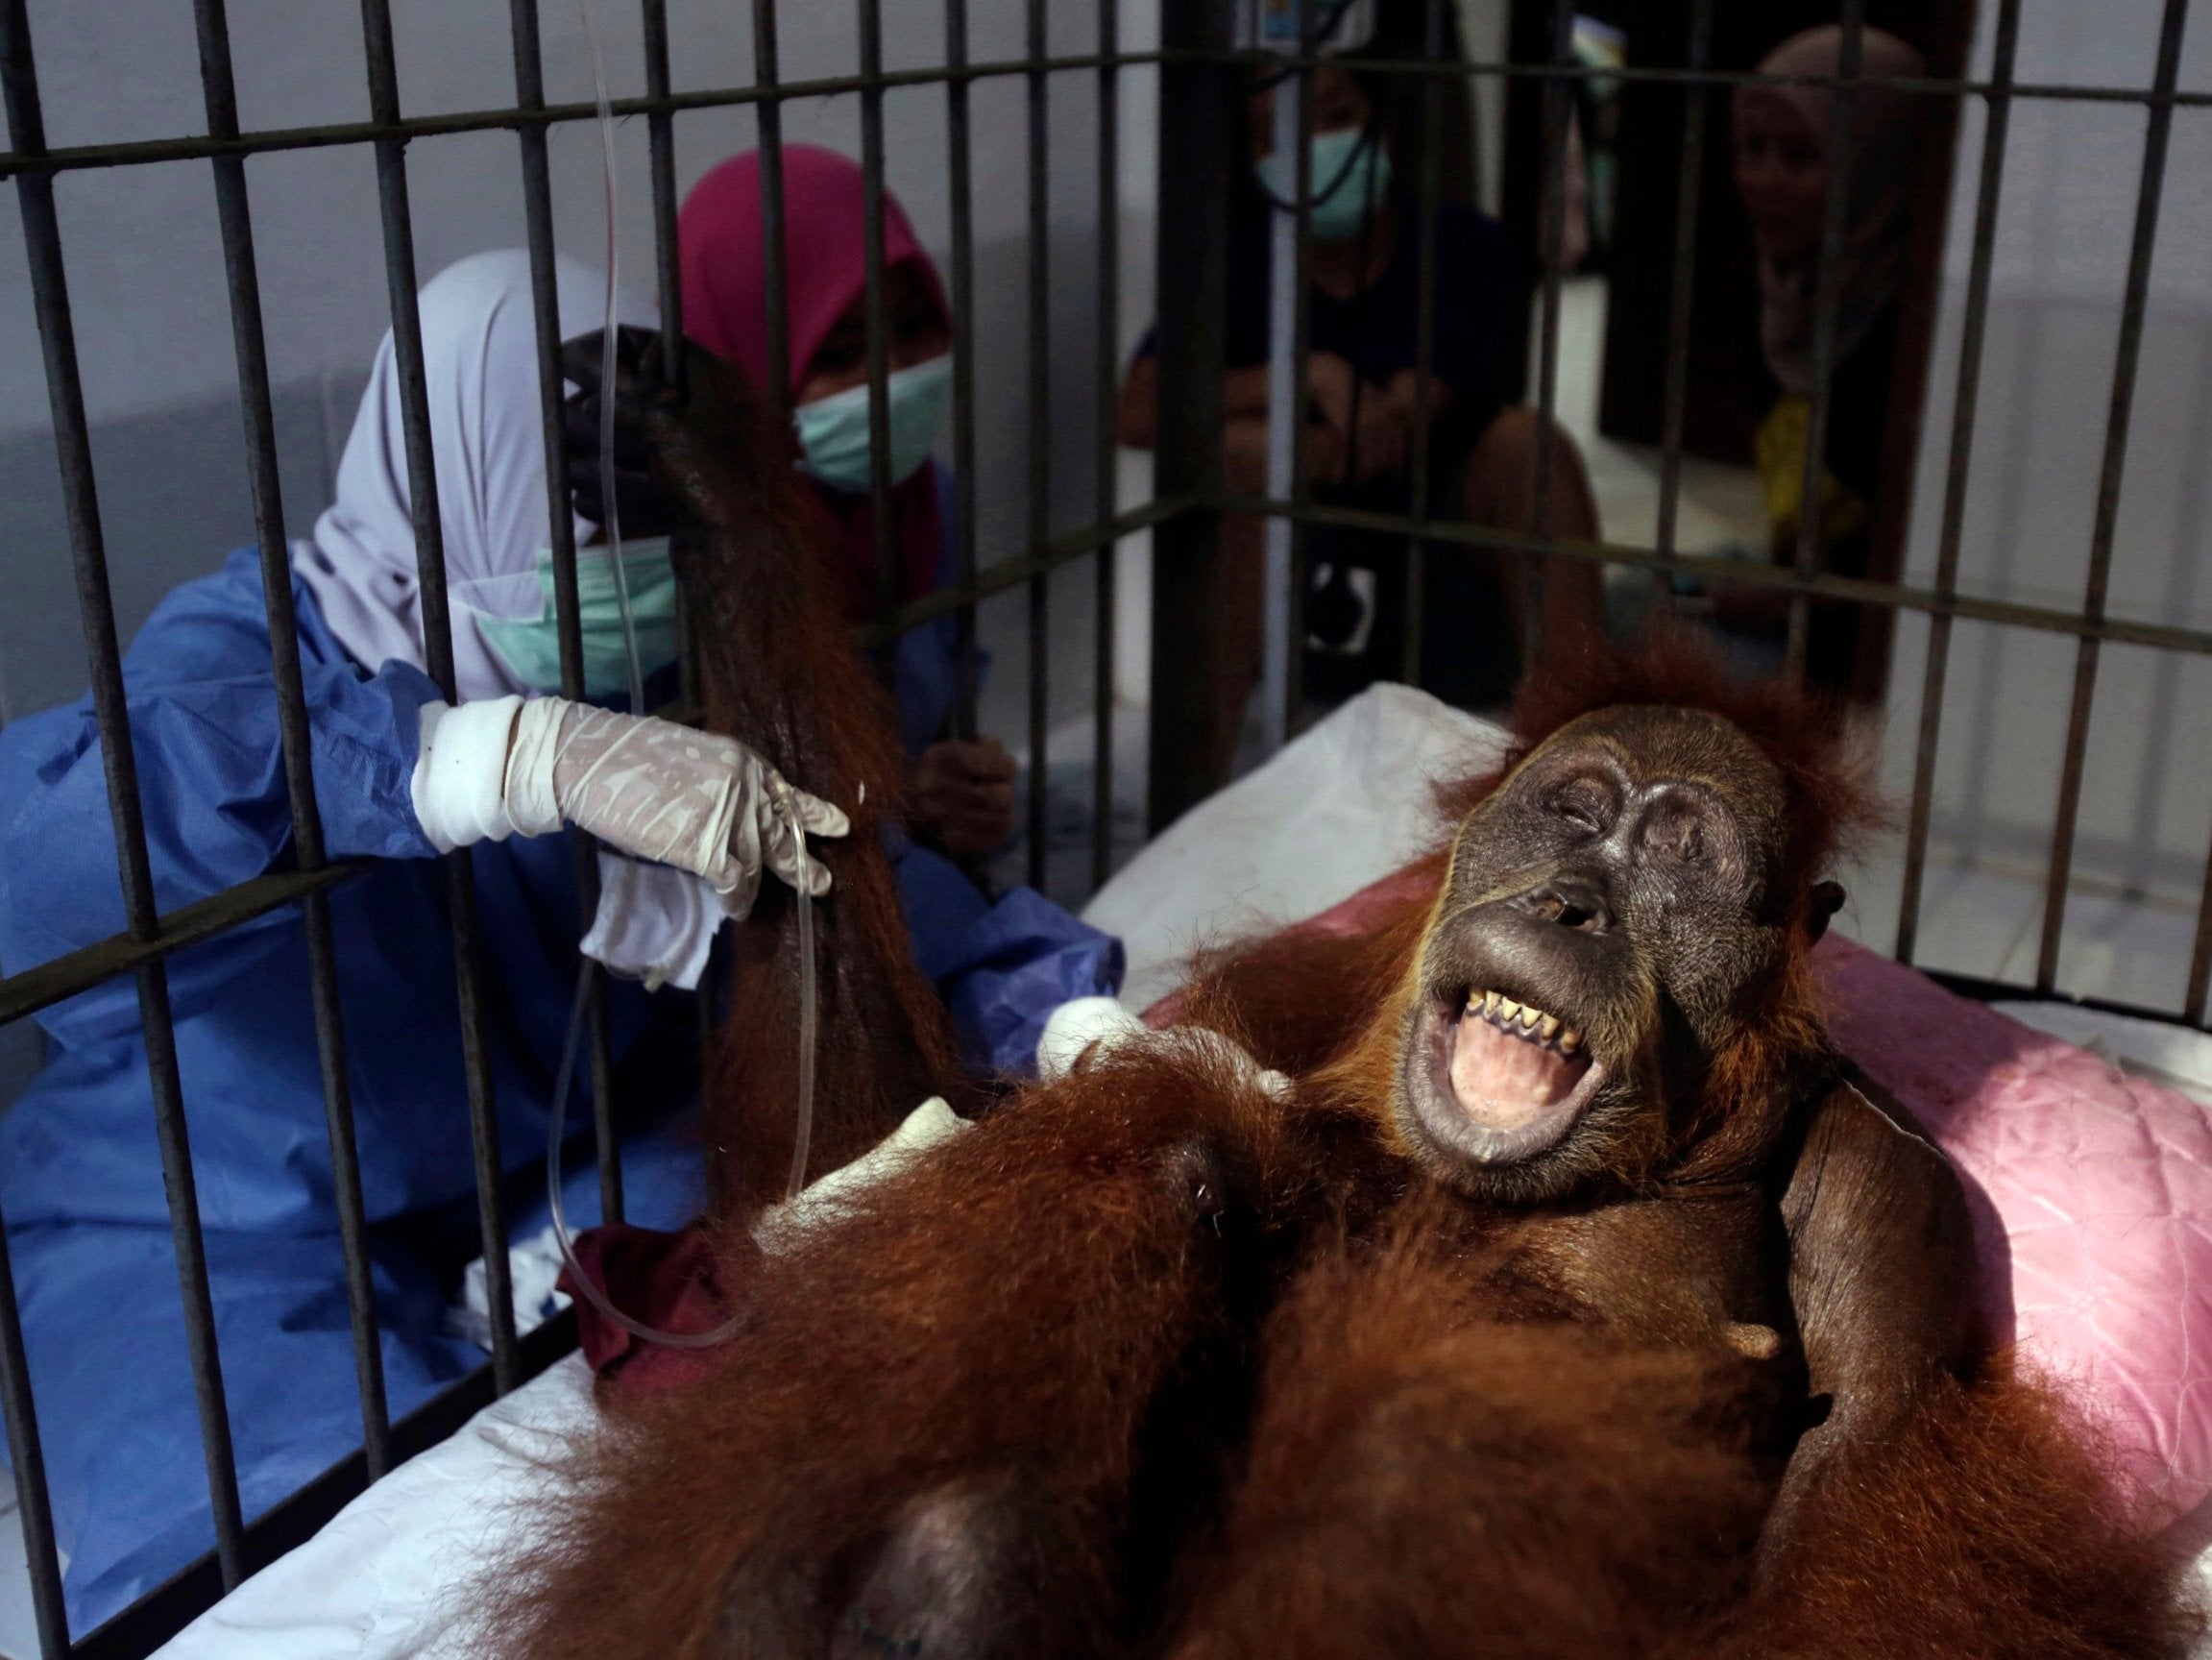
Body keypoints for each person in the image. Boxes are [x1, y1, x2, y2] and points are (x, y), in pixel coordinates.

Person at [0, 246, 1115, 1628]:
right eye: (584, 545)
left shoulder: (622, 667)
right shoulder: (251, 658)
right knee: (343, 1573)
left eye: (646, 553)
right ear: (461, 489)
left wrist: (1063, 1015)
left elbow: (845, 879)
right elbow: (46, 860)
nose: (626, 589)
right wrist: (458, 765)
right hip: (206, 1211)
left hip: (536, 1146)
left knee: (827, 1295)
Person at [1117, 42, 1606, 783]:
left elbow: (1413, 414)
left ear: (1380, 119)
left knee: (1527, 447)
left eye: (1336, 117)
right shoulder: (1236, 261)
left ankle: (1590, 752)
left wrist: (1359, 414)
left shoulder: (1459, 242)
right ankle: (1195, 781)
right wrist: (1302, 377)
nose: (1317, 149)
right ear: (1250, 160)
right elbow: (1136, 409)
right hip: (1294, 542)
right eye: (1278, 135)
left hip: (1435, 534)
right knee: (1244, 455)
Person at [675, 145, 1018, 858]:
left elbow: (943, 716)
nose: (892, 380)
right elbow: (714, 826)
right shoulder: (684, 565)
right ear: (740, 362)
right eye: (835, 355)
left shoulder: (927, 503)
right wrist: (882, 804)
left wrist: (966, 792)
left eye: (914, 326)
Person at [1714, 24, 1925, 698]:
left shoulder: (1911, 331)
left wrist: (1805, 602)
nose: (1762, 181)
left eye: (1801, 157)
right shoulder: (1790, 291)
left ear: (1876, 164)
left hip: (1883, 659)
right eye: (1750, 149)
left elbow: (1915, 569)